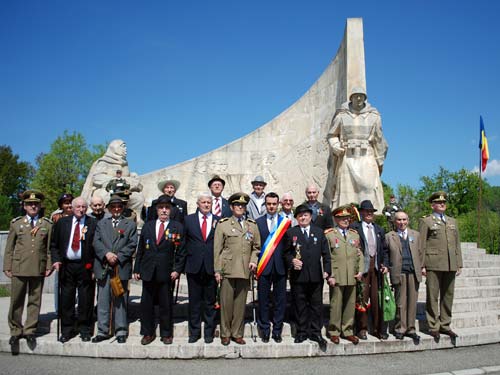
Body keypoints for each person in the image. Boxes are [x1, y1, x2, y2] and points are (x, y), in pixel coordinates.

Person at [3, 190, 53, 347]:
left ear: (40, 206)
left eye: (36, 204)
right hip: (19, 267)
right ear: (24, 206)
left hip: (38, 267)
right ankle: (16, 331)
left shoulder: (46, 224)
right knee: (16, 300)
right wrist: (7, 266)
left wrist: (48, 265)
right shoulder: (16, 223)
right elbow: (9, 248)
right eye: (30, 204)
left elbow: (49, 248)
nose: (33, 206)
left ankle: (30, 330)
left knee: (34, 300)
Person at [327, 87, 388, 212]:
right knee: (346, 193)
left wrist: (379, 160)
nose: (359, 98)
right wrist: (336, 146)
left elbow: (379, 140)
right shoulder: (342, 115)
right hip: (348, 157)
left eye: (361, 96)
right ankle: (345, 217)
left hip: (367, 157)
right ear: (351, 98)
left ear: (365, 98)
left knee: (369, 188)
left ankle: (371, 217)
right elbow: (332, 135)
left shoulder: (374, 116)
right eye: (356, 96)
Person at [133, 195, 183, 345]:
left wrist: (177, 270)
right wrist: (137, 269)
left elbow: (181, 251)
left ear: (171, 210)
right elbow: (140, 248)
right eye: (161, 207)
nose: (164, 210)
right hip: (148, 270)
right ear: (156, 209)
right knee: (146, 304)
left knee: (165, 304)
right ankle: (148, 333)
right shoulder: (148, 225)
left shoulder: (177, 227)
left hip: (166, 272)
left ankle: (166, 333)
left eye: (167, 208)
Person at [214, 193, 261, 345]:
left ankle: (237, 333)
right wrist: (217, 270)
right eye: (237, 205)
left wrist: (254, 261)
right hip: (227, 269)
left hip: (245, 269)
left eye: (242, 205)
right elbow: (217, 249)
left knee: (240, 305)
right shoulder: (223, 224)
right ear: (232, 207)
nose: (240, 207)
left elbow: (256, 247)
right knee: (226, 304)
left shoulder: (252, 225)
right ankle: (225, 333)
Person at [284, 204, 331, 352]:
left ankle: (316, 332)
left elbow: (326, 254)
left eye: (306, 215)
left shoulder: (319, 232)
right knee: (300, 305)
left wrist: (327, 271)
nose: (303, 218)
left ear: (311, 217)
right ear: (296, 218)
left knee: (316, 306)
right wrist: (292, 260)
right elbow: (285, 253)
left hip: (316, 276)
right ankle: (301, 332)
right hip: (298, 276)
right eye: (300, 216)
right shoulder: (291, 233)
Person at [92, 195, 138, 344]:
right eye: (113, 207)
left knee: (120, 300)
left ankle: (121, 330)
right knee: (103, 300)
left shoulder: (129, 224)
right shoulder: (102, 224)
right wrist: (106, 254)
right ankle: (102, 330)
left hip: (120, 267)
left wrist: (118, 256)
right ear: (109, 209)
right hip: (104, 266)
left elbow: (132, 244)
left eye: (119, 206)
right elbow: (96, 242)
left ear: (123, 208)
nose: (116, 209)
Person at [51, 197, 97, 342]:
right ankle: (67, 330)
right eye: (78, 207)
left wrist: (95, 267)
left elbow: (97, 247)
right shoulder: (62, 223)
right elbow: (54, 245)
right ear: (72, 207)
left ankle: (85, 329)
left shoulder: (93, 223)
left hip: (85, 266)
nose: (81, 209)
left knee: (85, 299)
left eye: (84, 207)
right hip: (67, 265)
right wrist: (56, 260)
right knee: (67, 298)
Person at [419, 191, 462, 342]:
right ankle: (433, 326)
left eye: (444, 202)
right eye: (438, 202)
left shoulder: (452, 221)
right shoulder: (426, 221)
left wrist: (459, 263)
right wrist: (422, 265)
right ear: (433, 205)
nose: (442, 204)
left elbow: (457, 244)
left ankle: (445, 324)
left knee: (448, 296)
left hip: (450, 264)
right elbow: (421, 245)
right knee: (432, 296)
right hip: (433, 264)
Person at [176, 192, 219, 344]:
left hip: (211, 266)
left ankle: (209, 332)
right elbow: (182, 243)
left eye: (209, 202)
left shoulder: (218, 220)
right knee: (194, 302)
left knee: (209, 302)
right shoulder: (188, 220)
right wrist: (181, 266)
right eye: (204, 202)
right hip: (193, 266)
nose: (207, 204)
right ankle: (194, 333)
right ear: (198, 204)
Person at [325, 205, 364, 345]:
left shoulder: (354, 234)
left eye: (347, 218)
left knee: (350, 304)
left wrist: (360, 270)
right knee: (336, 305)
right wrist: (329, 275)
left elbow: (359, 254)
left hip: (352, 276)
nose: (345, 220)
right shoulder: (329, 234)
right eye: (342, 218)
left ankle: (347, 331)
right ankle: (334, 331)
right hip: (337, 275)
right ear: (336, 219)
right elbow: (327, 257)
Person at [351, 199, 389, 340]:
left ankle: (379, 329)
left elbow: (384, 250)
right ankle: (362, 328)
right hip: (363, 267)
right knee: (362, 298)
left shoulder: (379, 229)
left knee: (377, 298)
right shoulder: (354, 227)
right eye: (366, 211)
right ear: (361, 213)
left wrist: (385, 264)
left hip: (377, 267)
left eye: (371, 212)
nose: (369, 214)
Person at [255, 192, 289, 343]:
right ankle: (265, 330)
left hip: (280, 267)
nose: (271, 206)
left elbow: (289, 246)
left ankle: (277, 330)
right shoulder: (258, 222)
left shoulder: (285, 223)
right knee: (263, 300)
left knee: (280, 301)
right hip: (264, 267)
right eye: (268, 204)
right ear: (265, 204)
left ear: (278, 204)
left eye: (274, 204)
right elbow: (255, 245)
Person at [386, 211, 423, 342]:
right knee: (400, 303)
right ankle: (400, 329)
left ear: (408, 220)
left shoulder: (416, 235)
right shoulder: (389, 236)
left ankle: (411, 329)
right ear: (395, 222)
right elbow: (386, 253)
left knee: (412, 302)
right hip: (399, 272)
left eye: (404, 220)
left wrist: (422, 267)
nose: (402, 222)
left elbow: (421, 252)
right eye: (399, 220)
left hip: (413, 273)